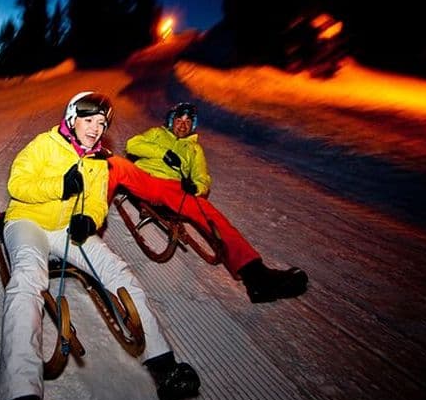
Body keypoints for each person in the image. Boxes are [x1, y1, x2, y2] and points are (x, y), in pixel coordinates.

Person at [0, 92, 200, 400]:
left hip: (66, 229)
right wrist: (59, 186)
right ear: (72, 118)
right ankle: (22, 399)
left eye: (101, 123)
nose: (95, 129)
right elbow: (17, 184)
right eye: (88, 120)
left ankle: (164, 365)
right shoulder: (44, 144)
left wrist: (89, 221)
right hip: (29, 221)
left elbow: (96, 205)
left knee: (116, 270)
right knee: (29, 279)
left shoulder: (97, 161)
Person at [108, 102, 308, 304]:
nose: (183, 125)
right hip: (145, 178)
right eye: (179, 120)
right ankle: (88, 215)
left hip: (174, 189)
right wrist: (163, 154)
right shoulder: (156, 133)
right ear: (171, 121)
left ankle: (256, 276)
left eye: (188, 123)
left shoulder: (194, 150)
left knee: (210, 215)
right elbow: (132, 144)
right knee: (112, 163)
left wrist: (195, 187)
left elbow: (203, 179)